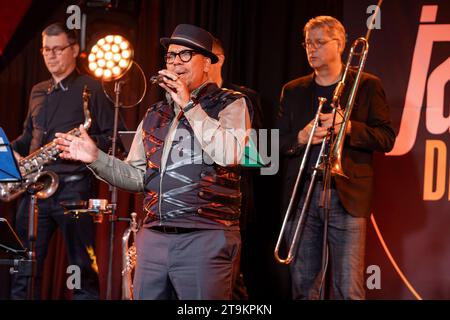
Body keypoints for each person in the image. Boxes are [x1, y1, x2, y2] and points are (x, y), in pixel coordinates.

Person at [55, 24, 252, 300]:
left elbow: (229, 153)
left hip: (205, 236)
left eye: (185, 55)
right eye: (171, 56)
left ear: (207, 63)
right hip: (154, 238)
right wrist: (96, 158)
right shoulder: (154, 113)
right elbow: (138, 177)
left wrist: (188, 104)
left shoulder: (231, 103)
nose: (175, 62)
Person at [276, 16, 395, 299]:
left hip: (347, 197)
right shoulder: (293, 91)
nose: (311, 49)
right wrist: (301, 138)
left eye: (319, 42)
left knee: (349, 288)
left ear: (339, 44)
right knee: (304, 288)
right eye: (307, 43)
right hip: (303, 193)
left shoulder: (367, 85)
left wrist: (349, 126)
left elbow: (386, 138)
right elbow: (275, 144)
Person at [10, 23, 120, 299]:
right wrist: (9, 152)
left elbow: (114, 138)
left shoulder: (92, 87)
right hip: (34, 190)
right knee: (24, 269)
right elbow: (27, 139)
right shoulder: (37, 90)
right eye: (46, 49)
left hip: (73, 188)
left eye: (58, 49)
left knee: (81, 268)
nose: (51, 55)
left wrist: (84, 144)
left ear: (74, 50)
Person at [209, 37, 263, 299]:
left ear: (217, 60)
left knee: (230, 277)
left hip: (231, 202)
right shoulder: (183, 99)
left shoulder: (243, 98)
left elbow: (262, 154)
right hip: (194, 205)